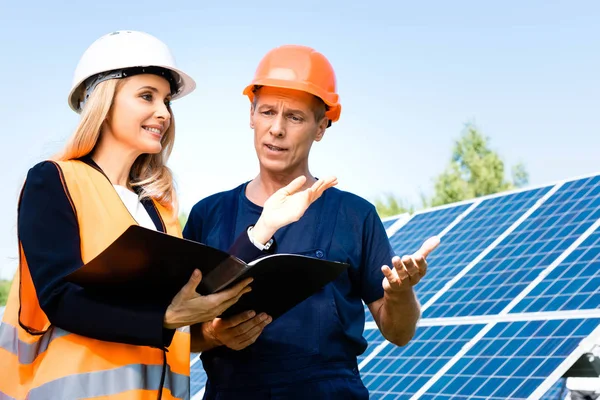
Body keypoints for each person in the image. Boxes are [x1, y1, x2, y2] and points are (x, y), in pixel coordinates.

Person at [0, 32, 336, 400]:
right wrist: (164, 317)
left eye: (166, 101)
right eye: (147, 96)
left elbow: (196, 295)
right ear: (104, 101)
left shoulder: (157, 210)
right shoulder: (56, 180)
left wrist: (263, 228)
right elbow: (60, 298)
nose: (163, 113)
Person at [183, 44, 440, 399]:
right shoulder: (207, 215)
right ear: (251, 115)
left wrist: (400, 294)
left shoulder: (355, 215)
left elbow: (399, 333)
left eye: (295, 117)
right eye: (268, 111)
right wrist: (213, 334)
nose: (276, 129)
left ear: (321, 127)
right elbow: (177, 327)